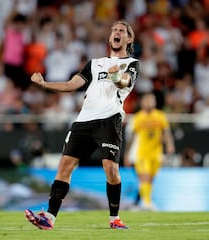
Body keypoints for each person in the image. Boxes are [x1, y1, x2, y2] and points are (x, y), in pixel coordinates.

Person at [25, 20, 140, 230]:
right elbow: (70, 85)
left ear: (128, 39)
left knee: (111, 169)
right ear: (109, 37)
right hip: (83, 120)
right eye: (114, 29)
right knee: (65, 165)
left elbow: (124, 82)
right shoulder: (95, 63)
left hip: (109, 118)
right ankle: (49, 218)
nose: (117, 32)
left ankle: (114, 218)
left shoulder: (131, 63)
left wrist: (114, 74)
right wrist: (44, 84)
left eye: (122, 31)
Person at [124, 92, 175, 210]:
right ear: (142, 102)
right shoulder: (137, 118)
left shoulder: (160, 116)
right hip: (141, 153)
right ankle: (147, 203)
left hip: (156, 153)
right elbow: (131, 137)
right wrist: (127, 154)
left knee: (150, 179)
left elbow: (166, 132)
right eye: (147, 100)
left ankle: (143, 202)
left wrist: (170, 145)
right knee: (145, 177)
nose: (150, 102)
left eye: (152, 100)